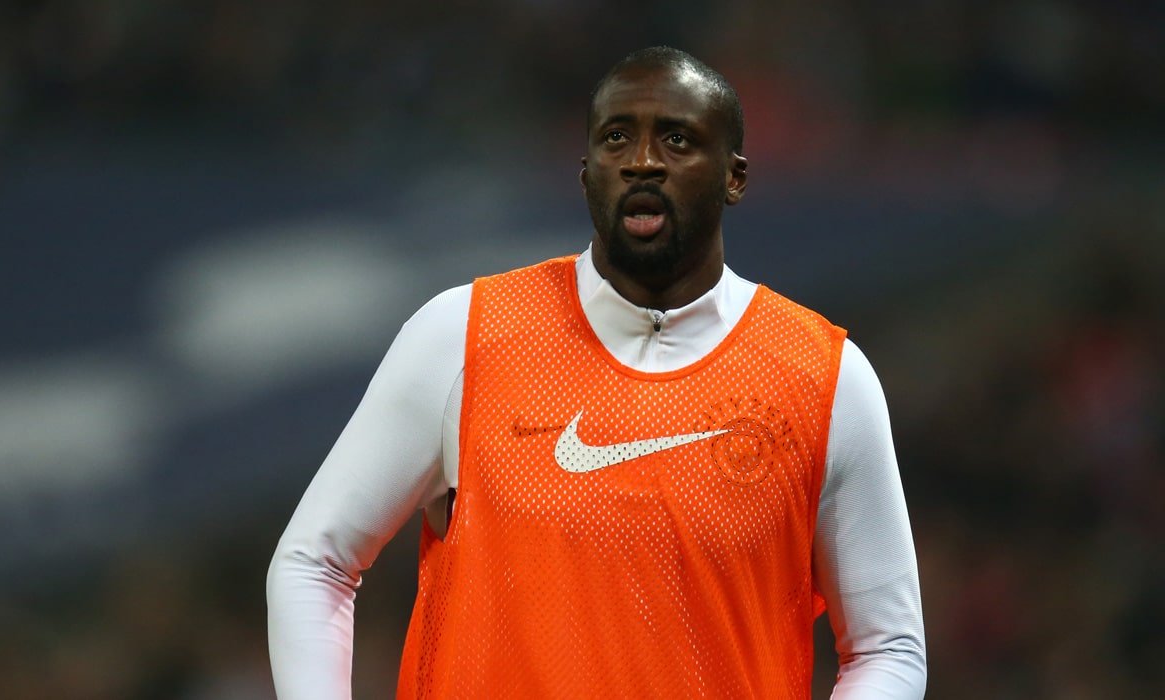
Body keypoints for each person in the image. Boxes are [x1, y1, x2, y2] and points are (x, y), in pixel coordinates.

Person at [267, 46, 926, 699]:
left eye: (676, 139)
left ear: (735, 177)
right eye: (617, 138)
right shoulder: (462, 337)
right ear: (586, 174)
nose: (642, 161)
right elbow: (313, 560)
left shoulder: (824, 378)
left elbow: (888, 647)